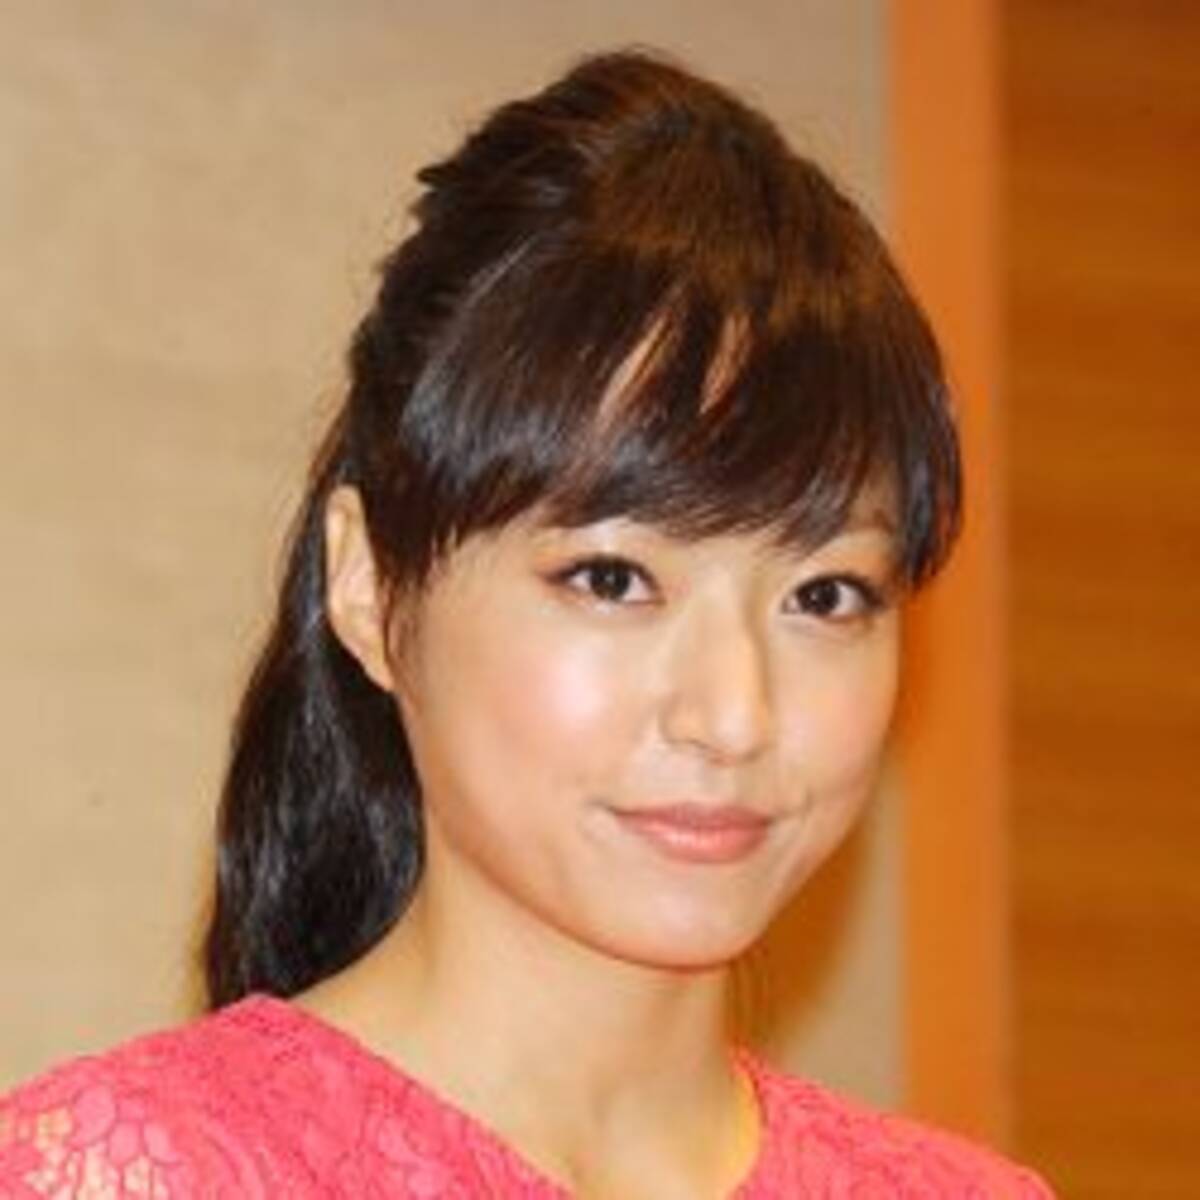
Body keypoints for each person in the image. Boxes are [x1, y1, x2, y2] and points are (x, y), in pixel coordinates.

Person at [0, 50, 1051, 1198]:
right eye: (613, 578)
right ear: (370, 587)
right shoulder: (134, 1172)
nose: (734, 715)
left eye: (824, 596)